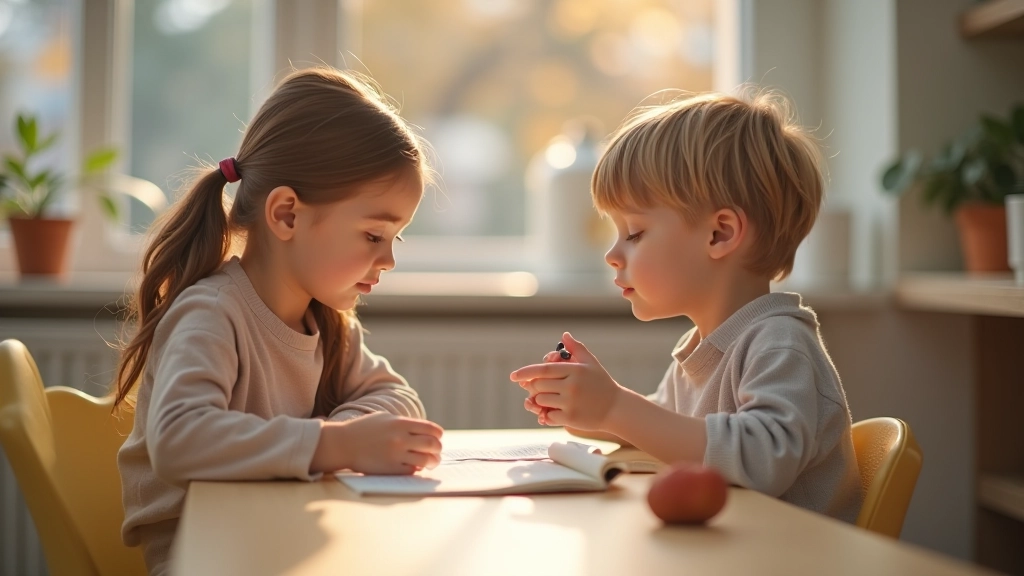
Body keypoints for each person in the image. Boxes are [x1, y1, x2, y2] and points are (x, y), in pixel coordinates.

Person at [114, 68, 444, 575]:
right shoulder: (212, 313)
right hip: (205, 556)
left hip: (278, 542)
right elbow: (179, 440)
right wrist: (334, 446)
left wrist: (349, 433)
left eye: (395, 240)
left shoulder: (326, 320)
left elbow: (397, 396)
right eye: (374, 235)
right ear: (287, 214)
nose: (389, 261)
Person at [511, 90, 864, 522]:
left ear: (720, 234)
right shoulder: (704, 348)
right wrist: (592, 411)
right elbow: (667, 431)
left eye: (635, 233)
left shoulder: (780, 344)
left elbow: (761, 460)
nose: (612, 254)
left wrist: (615, 407)